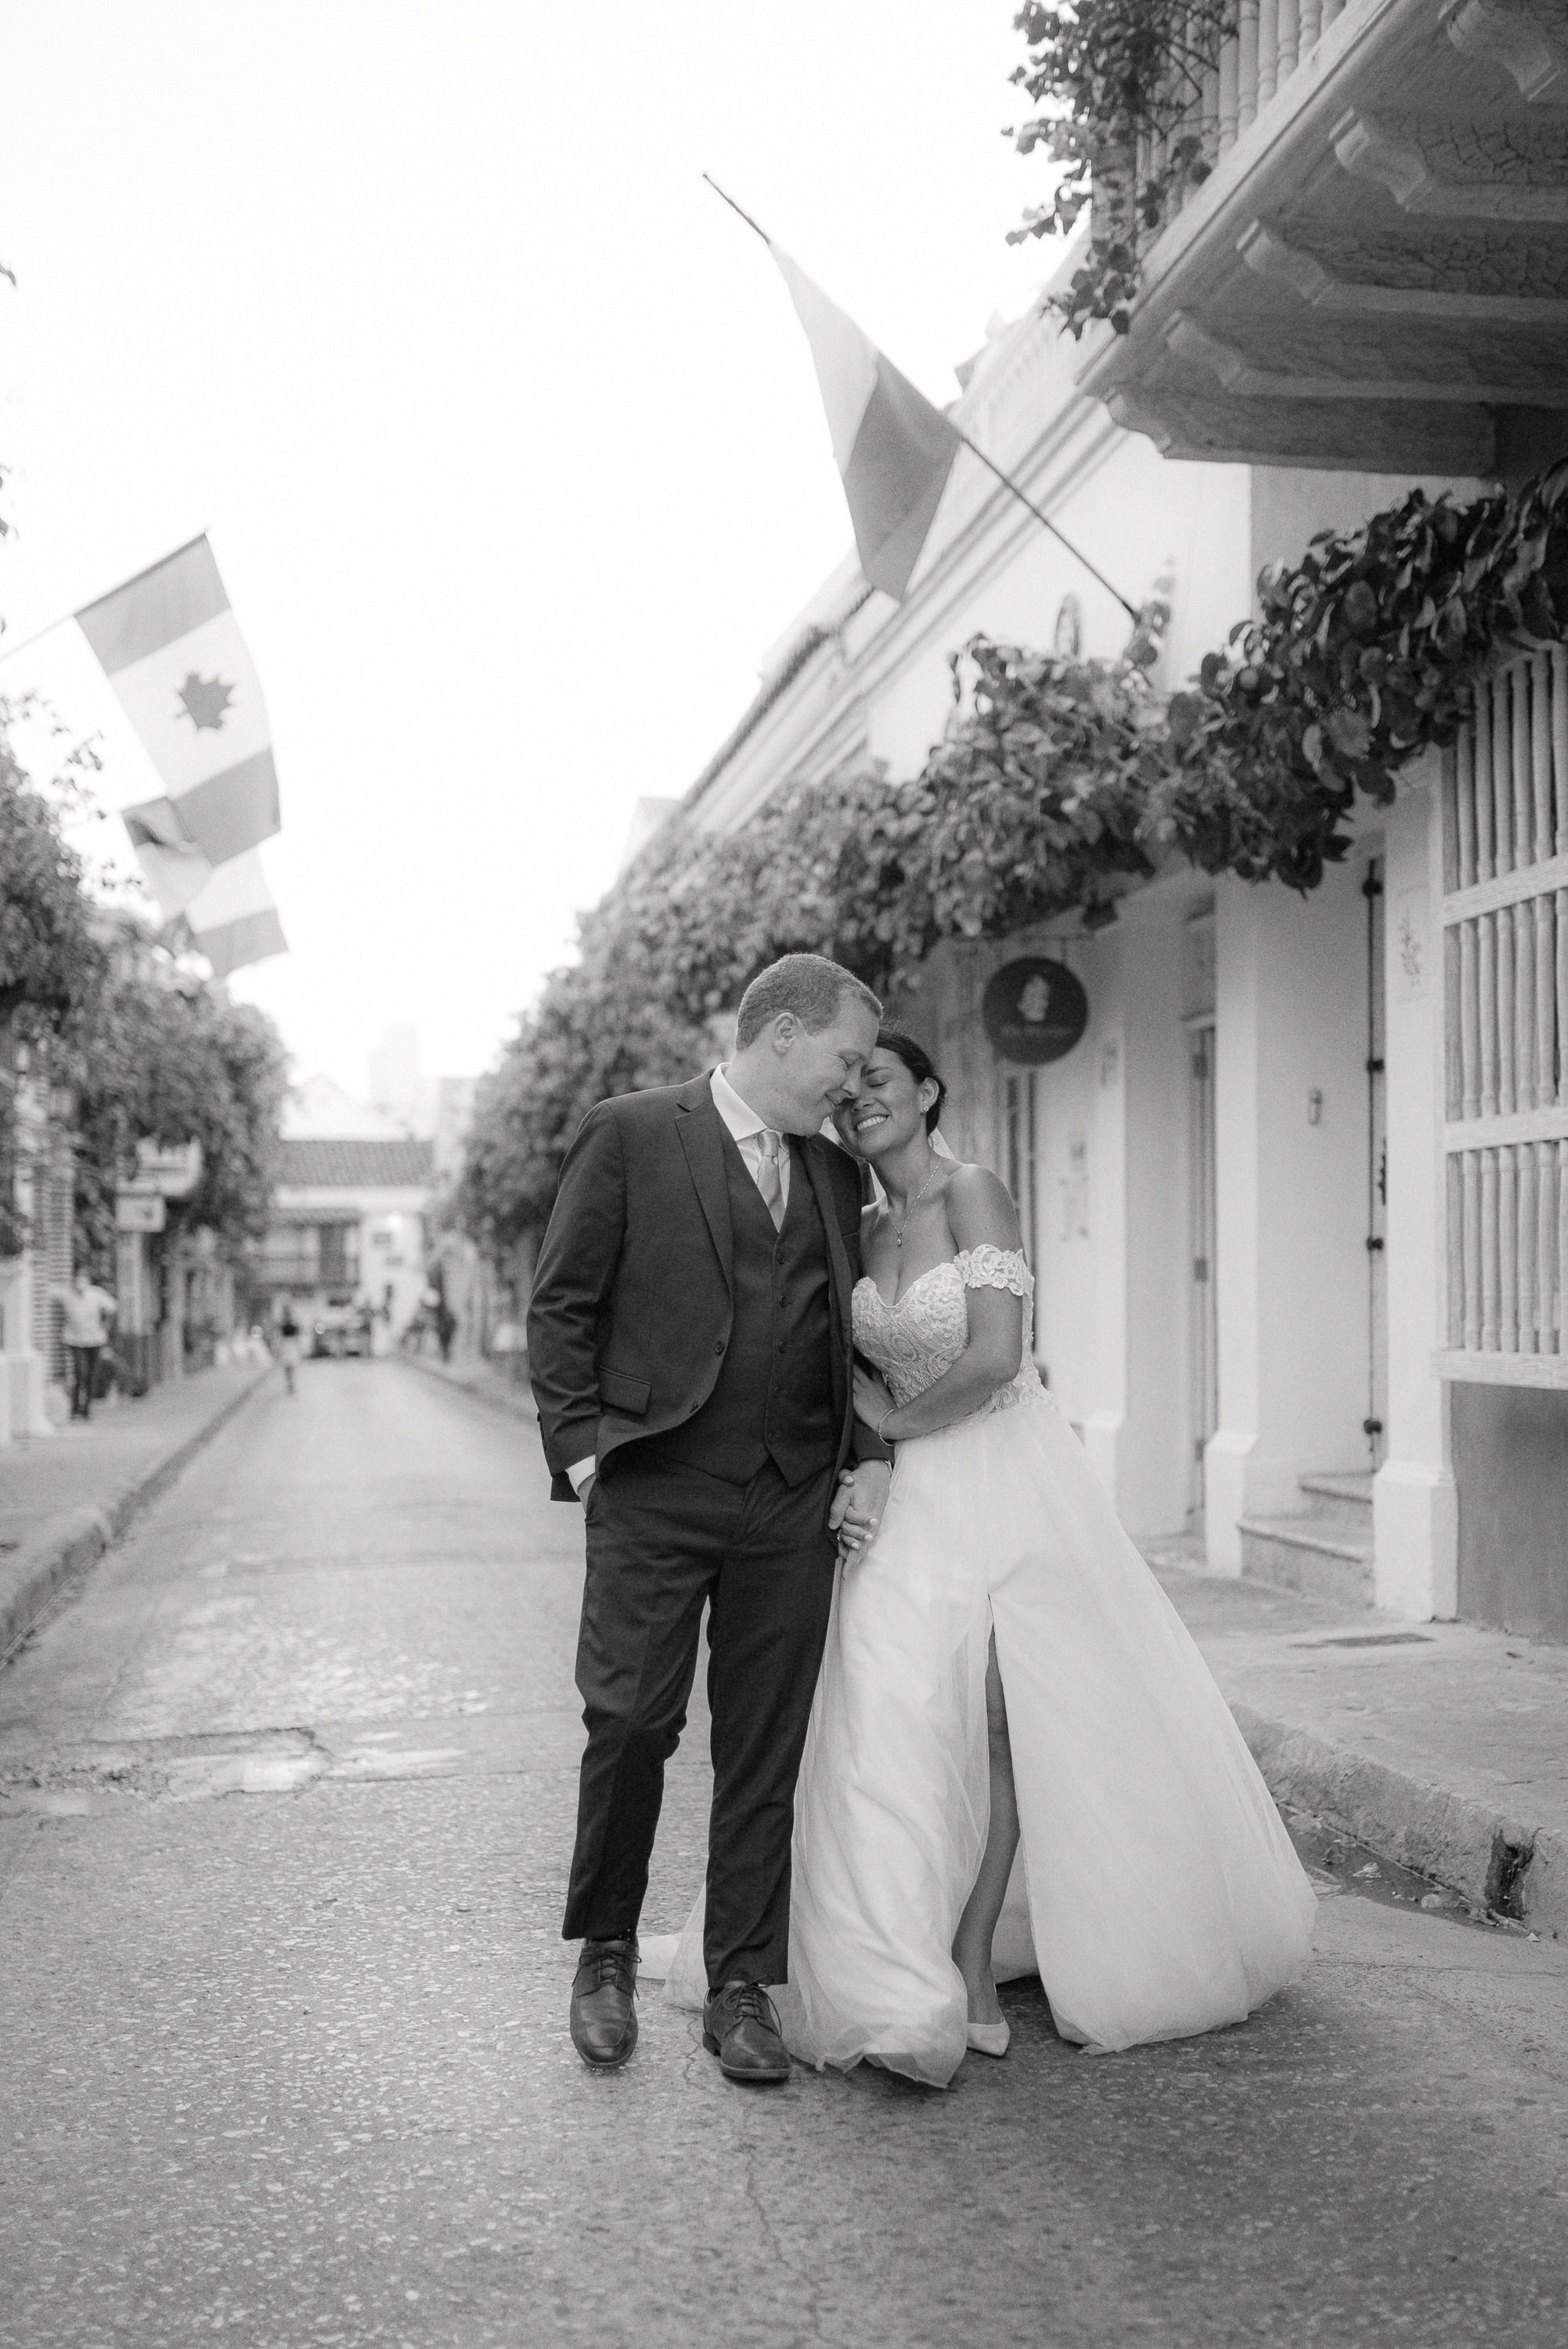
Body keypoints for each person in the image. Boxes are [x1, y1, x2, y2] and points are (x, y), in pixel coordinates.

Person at [655, 1029, 1317, 2082]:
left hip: (1005, 1480)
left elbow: (996, 1357)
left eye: (878, 1078)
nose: (857, 1097)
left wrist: (887, 1423)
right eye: (845, 1087)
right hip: (901, 1504)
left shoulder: (974, 1191)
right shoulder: (851, 1221)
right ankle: (880, 1969)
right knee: (881, 1716)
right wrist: (854, 1447)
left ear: (925, 1088)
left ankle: (969, 1957)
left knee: (1004, 1726)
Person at [526, 953, 892, 2084]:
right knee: (629, 1723)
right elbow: (563, 1301)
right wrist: (589, 1462)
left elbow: (851, 1341)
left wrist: (864, 1455)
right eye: (840, 1056)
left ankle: (741, 1983)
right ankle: (604, 1954)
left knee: (763, 1746)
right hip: (655, 1489)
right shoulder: (633, 1132)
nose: (848, 1081)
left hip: (788, 1499)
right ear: (778, 1034)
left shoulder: (834, 1179)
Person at [53, 1268, 117, 1422]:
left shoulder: (96, 1294)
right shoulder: (66, 1294)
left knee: (90, 1375)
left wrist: (105, 1327)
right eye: (77, 1278)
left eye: (83, 1278)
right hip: (74, 1340)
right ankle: (75, 1408)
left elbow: (112, 1308)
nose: (80, 1281)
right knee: (80, 1372)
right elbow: (49, 1292)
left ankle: (86, 1409)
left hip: (95, 1340)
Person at [276, 1301, 302, 1395]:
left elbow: (298, 1335)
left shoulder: (295, 1322)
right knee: (286, 1366)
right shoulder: (281, 1322)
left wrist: (299, 1347)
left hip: (292, 1344)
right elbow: (279, 1335)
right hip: (285, 1344)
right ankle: (289, 1383)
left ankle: (291, 1383)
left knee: (291, 1365)